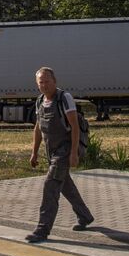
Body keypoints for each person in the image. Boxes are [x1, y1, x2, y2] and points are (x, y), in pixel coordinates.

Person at [26, 66, 94, 243]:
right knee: (65, 186)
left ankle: (42, 230)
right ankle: (85, 216)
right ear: (37, 84)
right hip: (51, 151)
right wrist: (34, 153)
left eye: (47, 81)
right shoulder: (40, 101)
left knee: (51, 185)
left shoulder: (64, 98)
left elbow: (75, 126)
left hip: (65, 149)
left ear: (54, 82)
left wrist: (73, 153)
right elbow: (38, 128)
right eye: (41, 82)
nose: (44, 85)